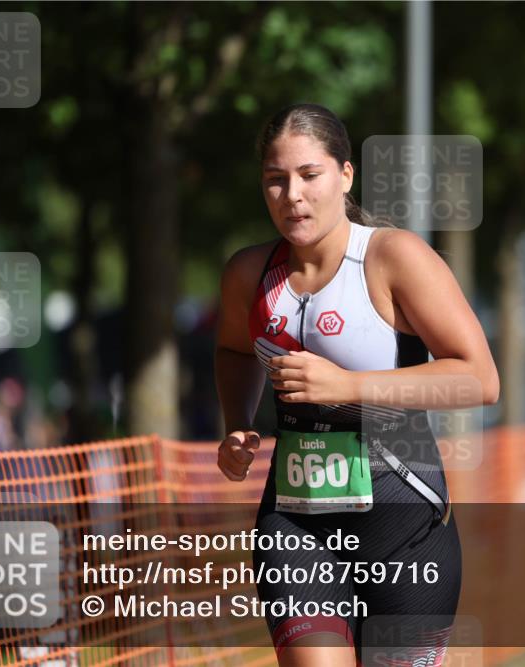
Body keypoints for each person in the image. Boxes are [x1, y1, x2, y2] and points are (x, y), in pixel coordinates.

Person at [214, 103, 499, 667]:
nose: (291, 194)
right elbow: (230, 348)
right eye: (275, 179)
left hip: (406, 524)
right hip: (297, 523)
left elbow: (479, 377)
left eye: (309, 175)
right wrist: (237, 425)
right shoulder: (249, 273)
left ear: (345, 175)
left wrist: (348, 385)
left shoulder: (393, 257)